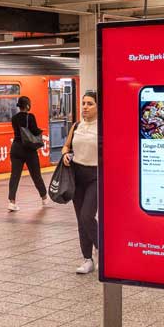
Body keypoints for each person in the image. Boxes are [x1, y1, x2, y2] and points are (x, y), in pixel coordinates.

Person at [62, 91, 99, 274]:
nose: (85, 107)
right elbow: (66, 146)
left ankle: (102, 248)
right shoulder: (76, 126)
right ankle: (87, 259)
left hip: (96, 176)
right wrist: (65, 155)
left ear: (98, 107)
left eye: (90, 103)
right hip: (77, 175)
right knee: (80, 220)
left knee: (87, 216)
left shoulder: (103, 127)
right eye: (83, 103)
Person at [7, 95, 47, 212]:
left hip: (16, 148)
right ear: (28, 106)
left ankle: (11, 202)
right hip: (29, 150)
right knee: (36, 175)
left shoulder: (14, 118)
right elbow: (34, 130)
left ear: (19, 106)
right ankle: (44, 198)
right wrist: (40, 131)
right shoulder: (31, 117)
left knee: (14, 176)